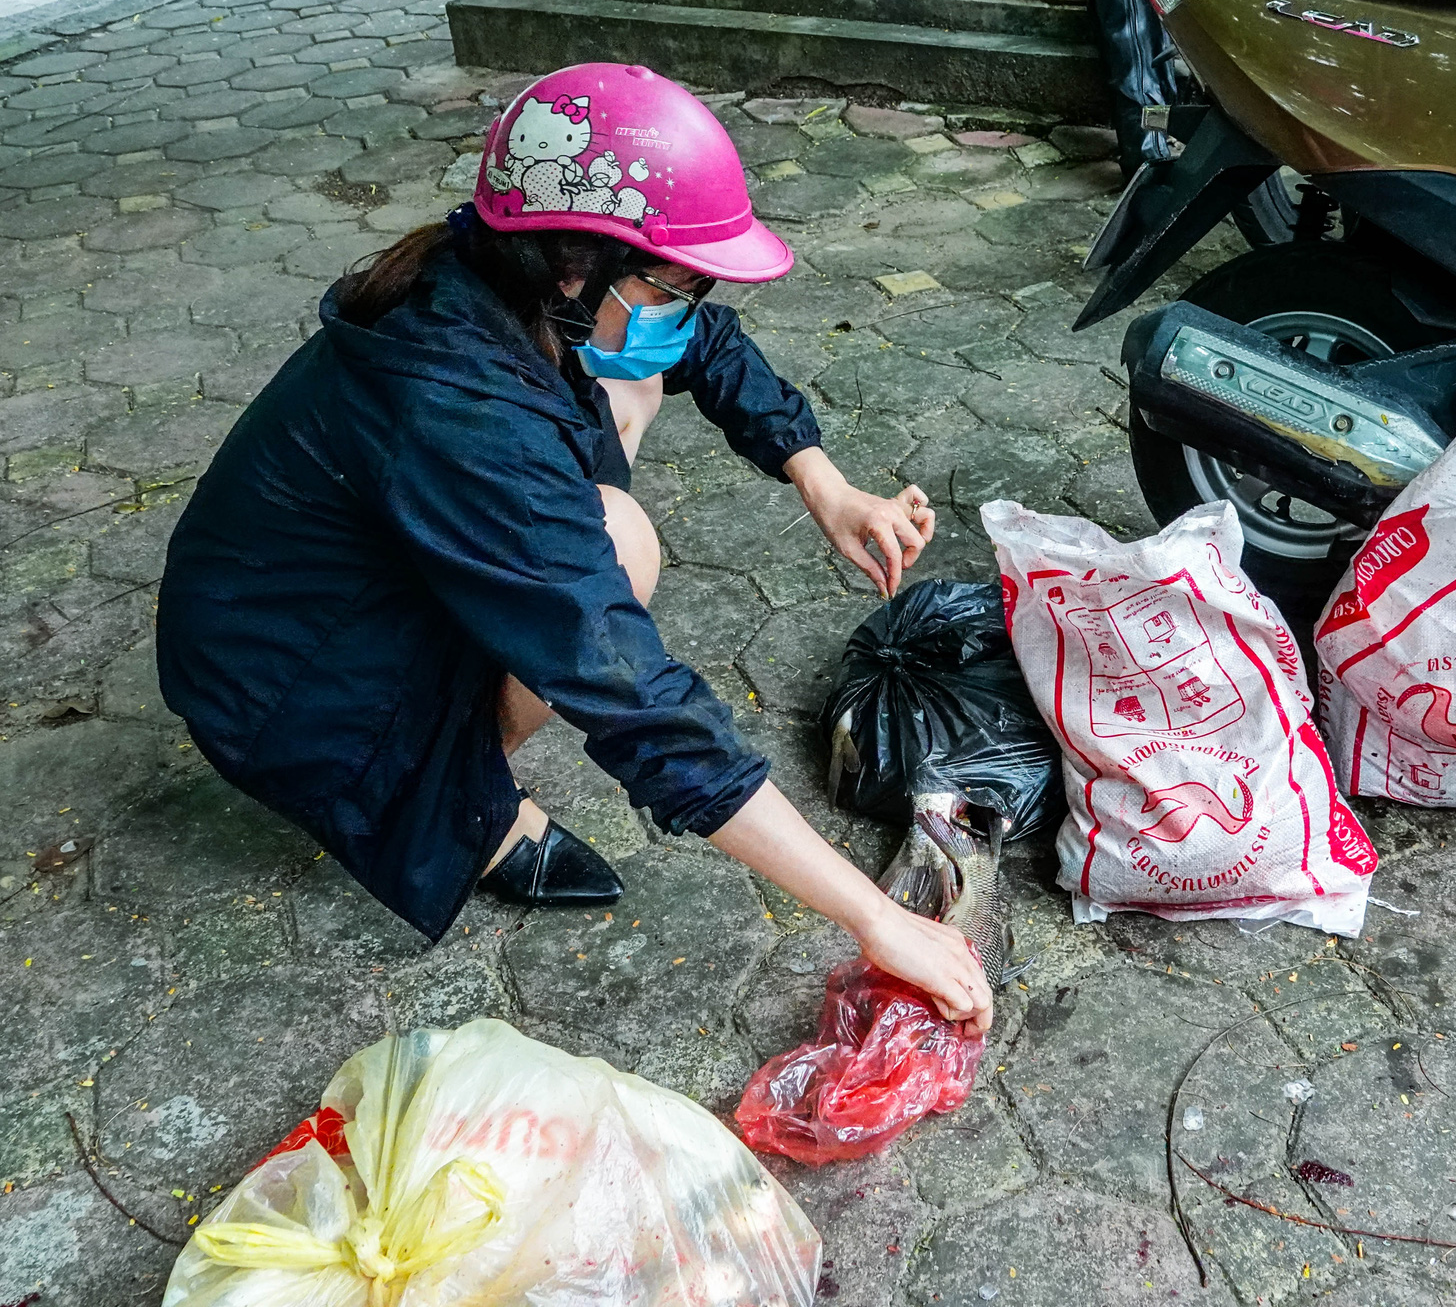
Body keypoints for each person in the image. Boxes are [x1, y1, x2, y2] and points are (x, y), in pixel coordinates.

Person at [156, 63, 993, 1034]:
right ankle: (464, 807)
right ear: (574, 263)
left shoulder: (497, 270)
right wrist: (873, 914)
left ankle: (455, 754)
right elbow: (633, 697)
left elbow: (702, 346)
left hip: (331, 589)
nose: (687, 308)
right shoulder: (463, 404)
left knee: (622, 408)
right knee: (612, 554)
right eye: (673, 285)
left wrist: (823, 480)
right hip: (280, 686)